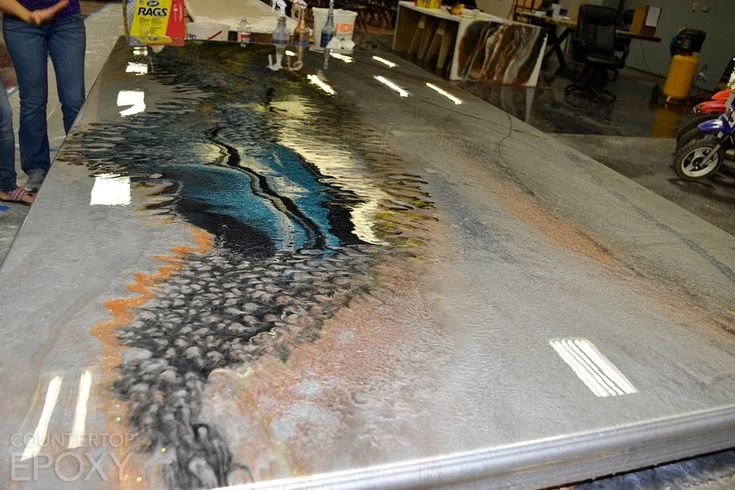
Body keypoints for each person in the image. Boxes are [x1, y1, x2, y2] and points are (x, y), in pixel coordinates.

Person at [2, 0, 81, 196]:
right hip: (21, 23)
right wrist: (29, 15)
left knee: (74, 99)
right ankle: (36, 168)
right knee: (33, 101)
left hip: (66, 20)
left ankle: (81, 158)